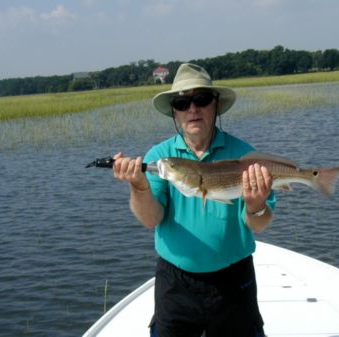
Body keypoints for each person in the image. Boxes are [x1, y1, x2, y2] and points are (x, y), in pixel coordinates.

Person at [113, 63, 276, 337]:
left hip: (233, 282)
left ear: (216, 104)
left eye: (201, 99)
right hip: (175, 283)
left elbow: (259, 226)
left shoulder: (247, 157)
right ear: (174, 112)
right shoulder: (161, 157)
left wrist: (256, 205)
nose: (192, 109)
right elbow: (151, 219)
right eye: (182, 102)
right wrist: (139, 187)